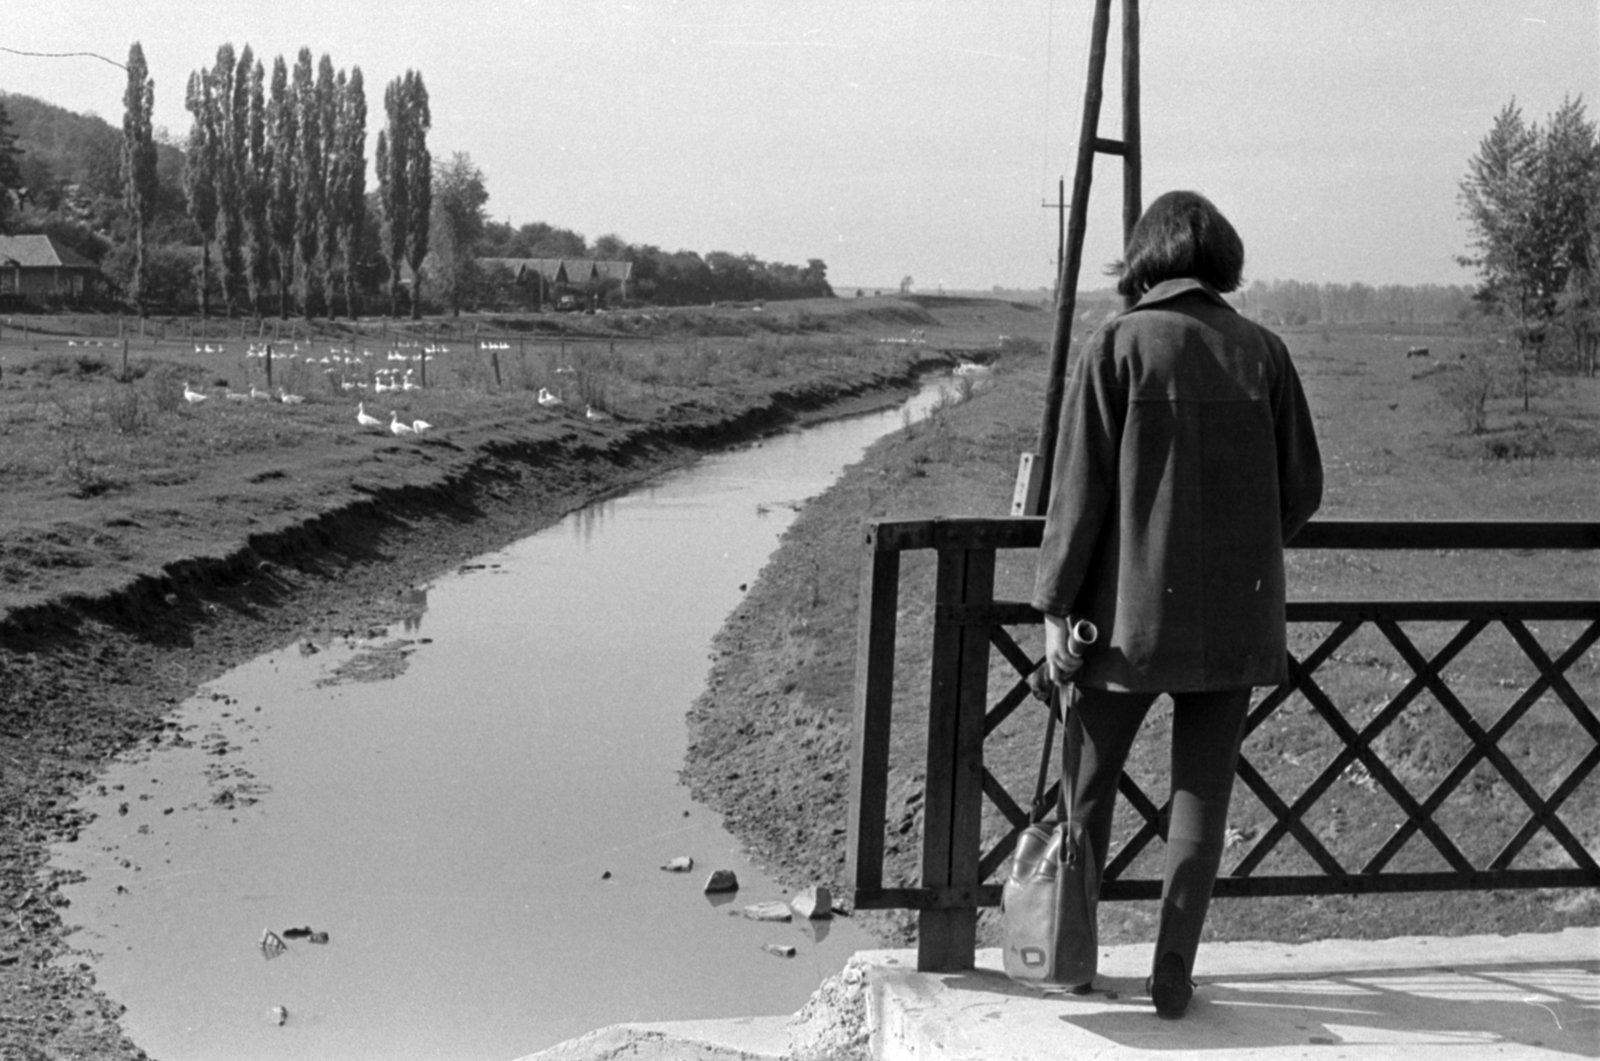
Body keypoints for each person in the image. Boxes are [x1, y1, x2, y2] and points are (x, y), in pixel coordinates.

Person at [1032, 190, 1323, 1018]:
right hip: (1234, 625)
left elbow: (1077, 498)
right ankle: (1172, 972)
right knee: (1201, 801)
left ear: (1146, 259)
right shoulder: (1263, 352)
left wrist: (1056, 609)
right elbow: (1301, 489)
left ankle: (1071, 962)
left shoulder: (1117, 345)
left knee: (1084, 796)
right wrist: (1240, 557)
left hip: (1119, 630)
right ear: (1221, 259)